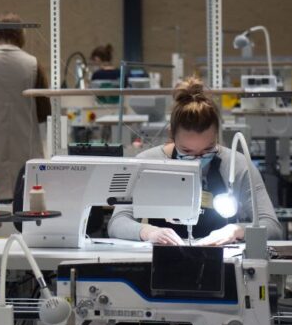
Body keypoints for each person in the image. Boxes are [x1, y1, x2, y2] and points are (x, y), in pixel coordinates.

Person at [108, 76, 282, 245]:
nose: (198, 160)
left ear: (217, 136)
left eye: (207, 149)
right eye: (187, 151)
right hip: (163, 259)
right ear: (172, 136)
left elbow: (272, 226)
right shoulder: (146, 164)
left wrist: (236, 230)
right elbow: (118, 222)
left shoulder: (237, 166)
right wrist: (148, 232)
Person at [0, 13, 51, 200]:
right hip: (25, 149)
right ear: (21, 34)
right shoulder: (34, 64)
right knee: (23, 197)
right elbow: (44, 111)